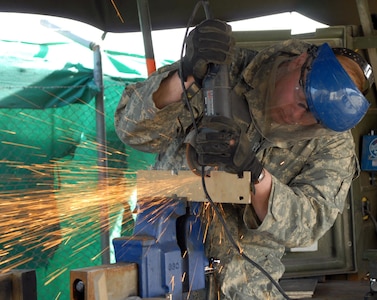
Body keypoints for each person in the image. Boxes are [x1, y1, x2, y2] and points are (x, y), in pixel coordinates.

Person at [115, 19, 373, 300]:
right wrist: (186, 74)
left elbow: (308, 223)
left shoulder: (333, 141)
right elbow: (132, 130)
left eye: (315, 119)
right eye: (302, 103)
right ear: (300, 61)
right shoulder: (223, 70)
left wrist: (256, 176)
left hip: (243, 287)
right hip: (161, 266)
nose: (299, 118)